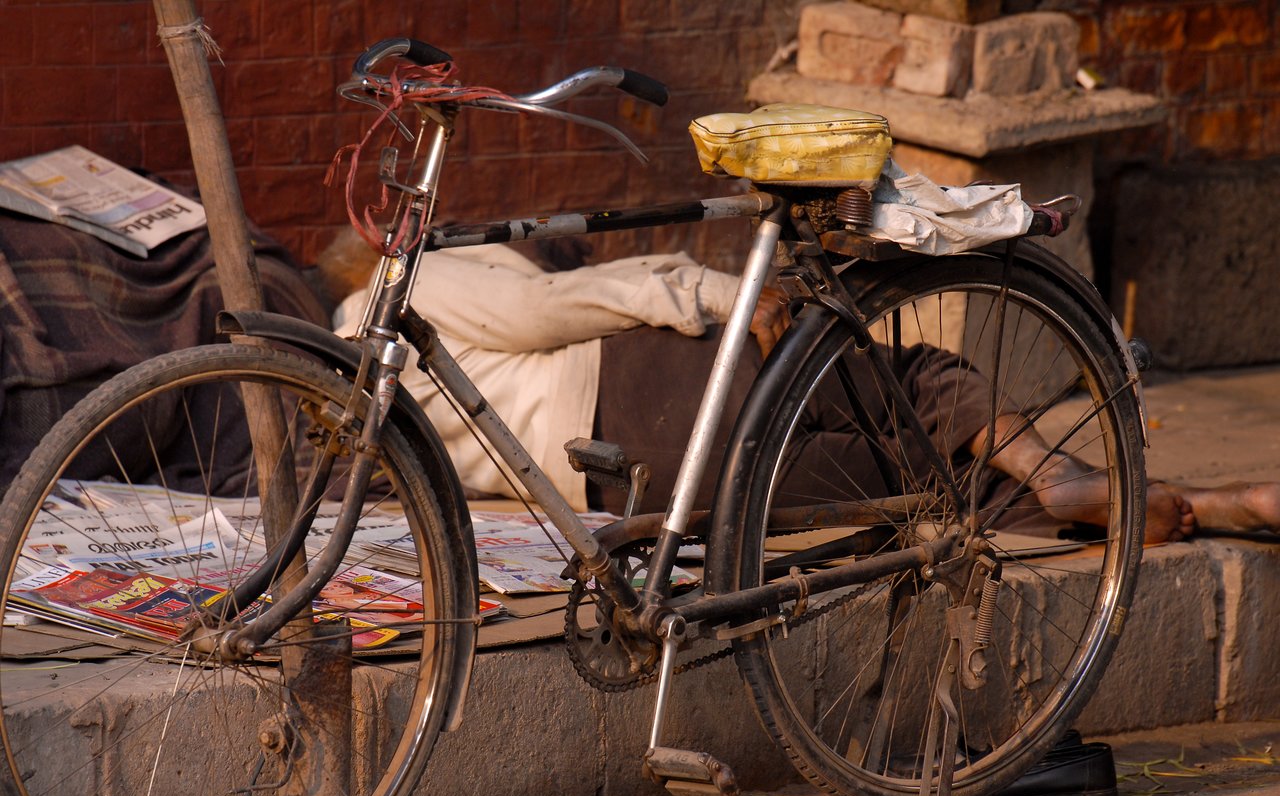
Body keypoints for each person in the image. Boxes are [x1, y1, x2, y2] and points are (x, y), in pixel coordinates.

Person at [326, 232, 1280, 544]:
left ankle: (1188, 505)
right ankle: (1058, 467)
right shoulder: (397, 280)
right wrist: (725, 292)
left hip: (626, 486)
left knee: (903, 481)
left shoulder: (352, 390)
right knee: (901, 381)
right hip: (643, 380)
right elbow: (553, 303)